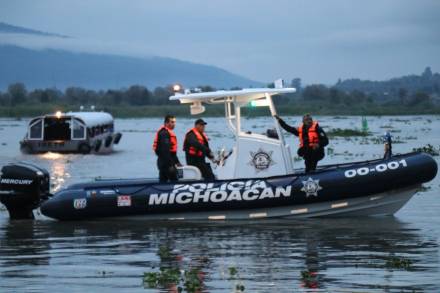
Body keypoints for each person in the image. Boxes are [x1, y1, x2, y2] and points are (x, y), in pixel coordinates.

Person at [153, 115, 181, 182]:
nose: (174, 124)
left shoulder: (167, 133)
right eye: (172, 122)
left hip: (165, 162)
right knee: (174, 180)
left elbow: (172, 152)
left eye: (174, 122)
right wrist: (170, 165)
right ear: (166, 123)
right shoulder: (164, 133)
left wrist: (177, 162)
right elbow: (165, 151)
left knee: (163, 180)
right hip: (165, 163)